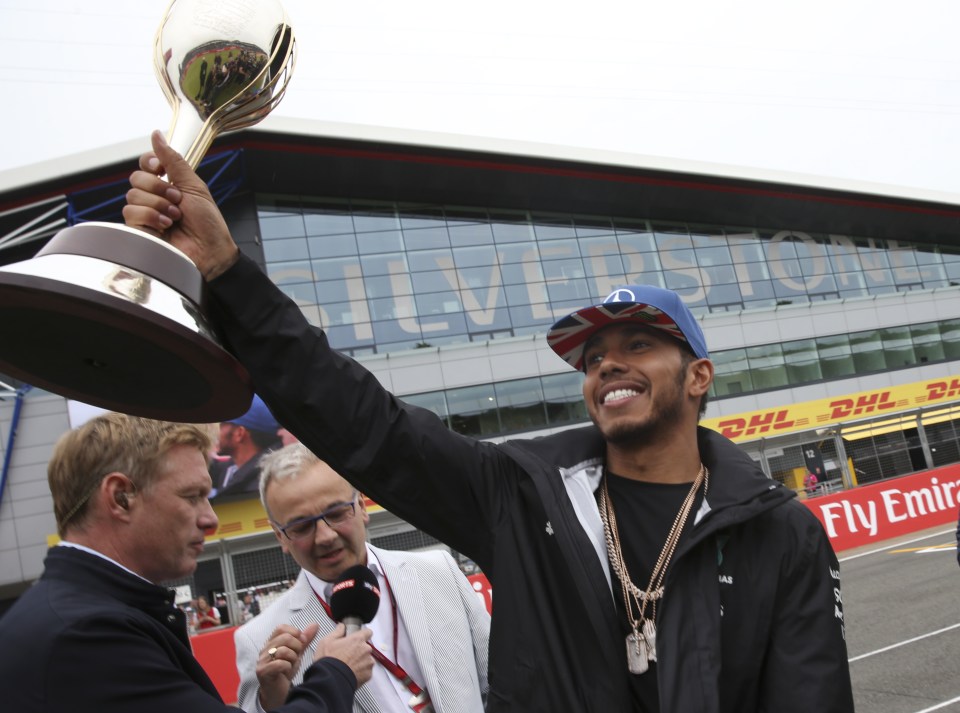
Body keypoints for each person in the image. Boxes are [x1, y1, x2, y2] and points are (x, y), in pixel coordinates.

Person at [124, 131, 854, 712]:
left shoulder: (778, 529)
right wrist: (227, 272)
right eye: (594, 356)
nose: (607, 365)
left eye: (638, 344)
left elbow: (811, 695)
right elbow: (364, 423)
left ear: (699, 375)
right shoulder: (523, 495)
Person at [0, 411, 374, 713]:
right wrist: (335, 673)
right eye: (192, 496)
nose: (210, 519)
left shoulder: (78, 615)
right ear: (120, 498)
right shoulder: (84, 634)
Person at [234, 443, 490, 713]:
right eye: (302, 526)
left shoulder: (438, 571)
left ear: (361, 506)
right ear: (280, 537)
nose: (326, 536)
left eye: (336, 513)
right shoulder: (259, 642)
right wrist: (271, 702)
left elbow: (503, 679)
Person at [214, 394, 281, 498]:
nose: (215, 431)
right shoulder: (229, 471)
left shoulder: (264, 485)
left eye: (221, 424)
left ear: (239, 433)